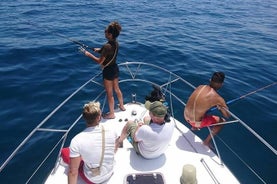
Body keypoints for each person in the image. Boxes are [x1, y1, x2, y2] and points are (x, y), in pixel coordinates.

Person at [79, 21, 125, 119]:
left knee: (109, 94)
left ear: (110, 34)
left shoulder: (106, 46)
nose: (104, 33)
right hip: (115, 68)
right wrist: (99, 50)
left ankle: (112, 114)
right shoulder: (116, 43)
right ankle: (122, 106)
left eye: (106, 32)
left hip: (108, 71)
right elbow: (109, 51)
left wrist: (88, 54)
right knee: (117, 89)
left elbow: (99, 61)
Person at [65, 101, 117, 184]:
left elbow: (73, 173)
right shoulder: (112, 131)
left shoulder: (77, 140)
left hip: (93, 179)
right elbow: (114, 149)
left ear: (84, 117)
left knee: (65, 152)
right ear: (99, 117)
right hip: (109, 172)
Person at [184, 72, 230, 147]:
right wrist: (220, 108)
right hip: (194, 122)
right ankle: (206, 142)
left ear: (210, 80)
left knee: (201, 109)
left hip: (185, 116)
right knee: (222, 122)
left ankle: (194, 127)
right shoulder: (218, 98)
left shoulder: (200, 86)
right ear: (221, 84)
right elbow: (227, 115)